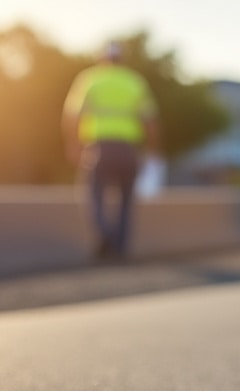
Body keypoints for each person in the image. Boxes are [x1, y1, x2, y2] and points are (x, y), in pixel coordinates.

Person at [63, 41, 162, 262]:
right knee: (126, 201)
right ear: (122, 59)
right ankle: (120, 248)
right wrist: (152, 151)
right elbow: (151, 121)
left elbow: (72, 115)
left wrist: (73, 144)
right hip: (128, 149)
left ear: (101, 58)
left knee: (93, 195)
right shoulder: (134, 82)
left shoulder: (90, 79)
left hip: (99, 148)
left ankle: (104, 233)